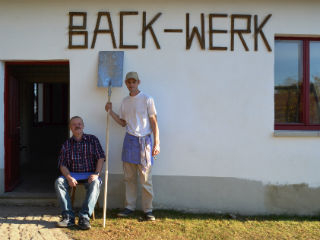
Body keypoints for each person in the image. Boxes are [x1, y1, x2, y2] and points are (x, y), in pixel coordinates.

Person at [105, 71, 160, 221]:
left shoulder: (147, 99)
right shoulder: (125, 101)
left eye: (133, 82)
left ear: (138, 82)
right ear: (126, 83)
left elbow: (154, 122)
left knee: (146, 179)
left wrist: (157, 142)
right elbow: (123, 123)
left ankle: (148, 210)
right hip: (129, 141)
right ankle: (129, 207)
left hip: (145, 142)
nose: (131, 84)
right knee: (129, 178)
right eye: (128, 82)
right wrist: (111, 112)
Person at [54, 116, 105, 230]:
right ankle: (68, 217)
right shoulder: (67, 144)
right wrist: (68, 177)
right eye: (74, 124)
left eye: (79, 124)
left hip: (91, 173)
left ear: (83, 126)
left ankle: (84, 217)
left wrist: (97, 174)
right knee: (59, 182)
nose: (77, 126)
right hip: (73, 174)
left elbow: (101, 158)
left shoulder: (92, 140)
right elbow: (62, 164)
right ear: (70, 128)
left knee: (96, 182)